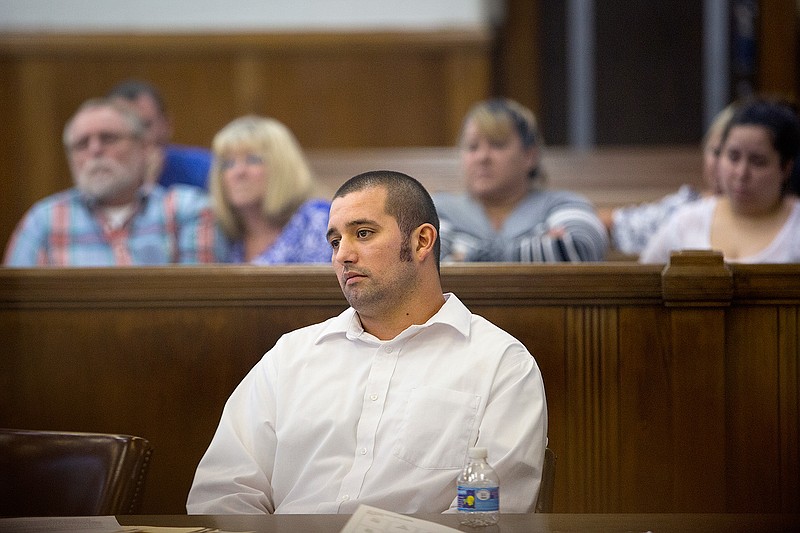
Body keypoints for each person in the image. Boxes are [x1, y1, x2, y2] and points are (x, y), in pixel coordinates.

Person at [186, 170, 548, 514]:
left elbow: (491, 516)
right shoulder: (291, 356)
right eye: (334, 241)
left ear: (422, 241)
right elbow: (222, 491)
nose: (342, 254)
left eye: (362, 233)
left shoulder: (501, 364)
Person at [3, 97, 225, 266]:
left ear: (144, 148)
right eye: (81, 144)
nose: (95, 150)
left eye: (108, 138)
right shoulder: (43, 220)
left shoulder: (188, 209)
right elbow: (17, 310)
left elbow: (198, 305)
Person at [433, 98, 608, 262]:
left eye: (497, 145)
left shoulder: (564, 204)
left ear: (529, 156)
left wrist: (465, 256)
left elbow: (578, 248)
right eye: (472, 147)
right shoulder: (437, 209)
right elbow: (426, 262)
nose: (482, 157)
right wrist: (539, 248)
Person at [640, 96, 800, 264]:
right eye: (733, 157)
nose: (741, 173)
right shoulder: (687, 222)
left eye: (758, 162)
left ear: (785, 168)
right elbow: (643, 283)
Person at [599, 104, 736, 256]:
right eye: (716, 152)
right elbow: (619, 223)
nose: (724, 165)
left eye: (732, 156)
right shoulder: (683, 208)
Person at [209, 115, 331, 264]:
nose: (238, 172)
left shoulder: (316, 220)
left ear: (283, 167)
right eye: (228, 163)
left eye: (253, 160)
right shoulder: (222, 234)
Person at [107, 79, 212, 189]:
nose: (137, 136)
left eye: (145, 125)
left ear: (167, 125)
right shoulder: (96, 176)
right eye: (124, 127)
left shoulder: (204, 169)